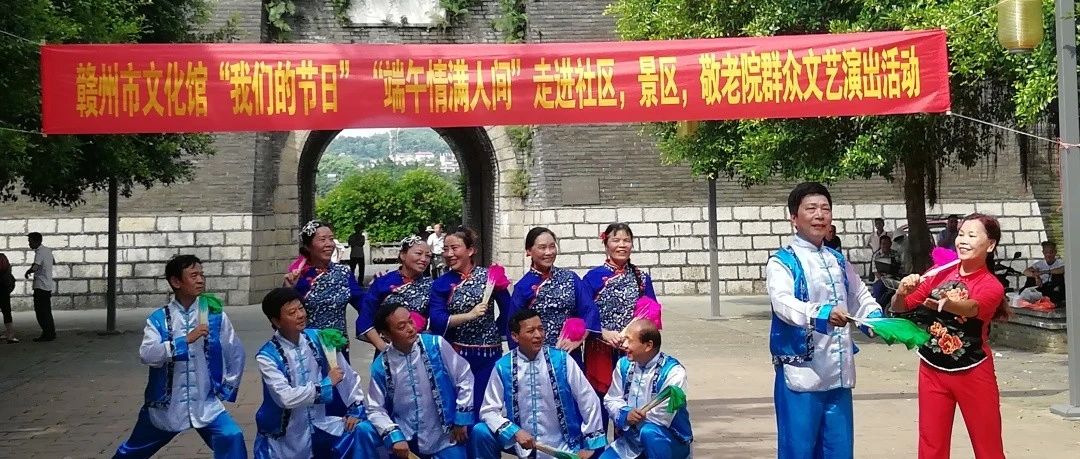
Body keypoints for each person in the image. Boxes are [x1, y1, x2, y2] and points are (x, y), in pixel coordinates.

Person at [766, 182, 883, 459]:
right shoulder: (782, 261)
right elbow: (783, 304)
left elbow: (860, 295)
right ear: (794, 218)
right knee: (799, 451)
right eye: (811, 209)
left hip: (838, 375)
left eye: (825, 209)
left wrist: (873, 317)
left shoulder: (837, 260)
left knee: (839, 450)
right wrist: (822, 313)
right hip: (801, 376)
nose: (819, 215)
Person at [891, 213, 1009, 459]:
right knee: (931, 444)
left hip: (973, 372)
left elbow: (973, 308)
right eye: (961, 234)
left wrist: (946, 304)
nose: (963, 240)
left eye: (972, 235)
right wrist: (901, 292)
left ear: (990, 245)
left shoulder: (992, 285)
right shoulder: (939, 272)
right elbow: (903, 307)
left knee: (988, 446)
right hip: (931, 369)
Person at [113, 255, 246, 459]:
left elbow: (235, 351)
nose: (200, 280)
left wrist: (226, 386)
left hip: (205, 403)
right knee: (132, 452)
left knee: (232, 437)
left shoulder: (214, 314)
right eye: (194, 275)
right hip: (166, 406)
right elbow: (147, 354)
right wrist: (185, 340)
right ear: (176, 281)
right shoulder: (159, 319)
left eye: (202, 275)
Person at [253, 288, 377, 459]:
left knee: (363, 430)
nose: (300, 315)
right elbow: (285, 397)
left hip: (321, 422)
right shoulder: (267, 356)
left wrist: (355, 407)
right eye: (292, 312)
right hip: (286, 433)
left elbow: (347, 376)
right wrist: (326, 384)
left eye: (301, 308)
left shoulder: (320, 338)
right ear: (276, 321)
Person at [472, 309, 606, 459]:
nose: (538, 335)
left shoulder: (561, 360)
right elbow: (488, 410)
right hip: (520, 444)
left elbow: (588, 398)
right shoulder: (503, 366)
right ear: (515, 336)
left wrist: (591, 444)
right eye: (531, 331)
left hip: (563, 446)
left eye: (541, 329)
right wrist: (514, 431)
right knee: (480, 431)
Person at [366, 303, 474, 459]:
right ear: (386, 335)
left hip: (445, 437)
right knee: (364, 429)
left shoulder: (436, 345)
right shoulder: (382, 365)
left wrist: (461, 418)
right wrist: (394, 435)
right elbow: (375, 408)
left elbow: (464, 376)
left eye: (410, 321)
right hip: (406, 439)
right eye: (401, 327)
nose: (410, 328)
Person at [429, 226, 513, 413]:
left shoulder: (490, 278)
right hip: (455, 355)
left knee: (486, 406)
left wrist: (495, 331)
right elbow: (437, 320)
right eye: (445, 249)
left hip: (488, 355)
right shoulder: (441, 284)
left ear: (470, 250)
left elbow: (508, 310)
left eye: (455, 248)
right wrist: (470, 315)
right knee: (459, 407)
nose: (449, 254)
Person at [582, 223, 657, 427]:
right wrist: (603, 332)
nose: (621, 245)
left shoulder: (642, 279)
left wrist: (635, 336)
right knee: (599, 403)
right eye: (616, 240)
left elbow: (651, 315)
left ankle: (627, 444)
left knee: (629, 401)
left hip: (631, 351)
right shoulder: (592, 278)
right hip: (600, 350)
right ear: (606, 244)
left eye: (626, 240)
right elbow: (583, 314)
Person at [601, 320, 692, 459]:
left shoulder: (673, 372)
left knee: (649, 432)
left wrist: (637, 417)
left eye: (629, 340)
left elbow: (664, 415)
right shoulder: (623, 365)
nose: (624, 345)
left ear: (648, 345)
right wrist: (625, 414)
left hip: (668, 440)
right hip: (631, 442)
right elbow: (611, 399)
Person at [509, 227, 601, 362]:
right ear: (529, 251)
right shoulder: (523, 287)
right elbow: (514, 325)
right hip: (537, 357)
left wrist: (580, 337)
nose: (549, 252)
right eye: (542, 247)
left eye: (552, 246)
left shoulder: (570, 278)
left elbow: (589, 310)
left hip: (569, 354)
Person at [284, 220, 363, 362]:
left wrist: (380, 292)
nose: (329, 244)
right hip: (307, 347)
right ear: (308, 246)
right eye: (322, 239)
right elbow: (284, 313)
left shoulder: (343, 273)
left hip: (337, 345)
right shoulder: (299, 276)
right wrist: (289, 289)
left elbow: (364, 304)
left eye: (331, 239)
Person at [356, 235, 434, 353]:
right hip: (389, 349)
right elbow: (365, 319)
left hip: (422, 349)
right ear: (403, 255)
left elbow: (437, 320)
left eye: (428, 256)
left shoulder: (433, 285)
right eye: (419, 253)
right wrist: (385, 349)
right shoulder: (383, 282)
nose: (424, 259)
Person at [24, 232, 55, 342]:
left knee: (40, 312)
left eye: (30, 241)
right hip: (48, 284)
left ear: (36, 241)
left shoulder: (39, 252)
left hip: (40, 285)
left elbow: (36, 267)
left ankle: (47, 334)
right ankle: (51, 333)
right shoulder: (47, 250)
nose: (29, 244)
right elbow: (53, 262)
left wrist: (28, 271)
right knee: (47, 311)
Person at [1022, 240, 1066, 305]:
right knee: (1030, 277)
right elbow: (1025, 272)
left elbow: (1063, 269)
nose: (1048, 255)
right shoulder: (1039, 264)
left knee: (1057, 275)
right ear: (1043, 252)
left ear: (1055, 252)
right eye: (1046, 252)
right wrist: (1036, 277)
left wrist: (1044, 272)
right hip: (1042, 287)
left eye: (1051, 252)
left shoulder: (1060, 262)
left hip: (1055, 288)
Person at [870, 234, 903, 306]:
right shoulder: (876, 255)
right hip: (881, 280)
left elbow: (900, 268)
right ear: (880, 245)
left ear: (891, 244)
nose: (885, 246)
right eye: (883, 244)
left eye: (887, 243)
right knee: (879, 291)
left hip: (894, 279)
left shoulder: (895, 254)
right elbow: (875, 271)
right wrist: (885, 281)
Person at [0, 253, 17, 343]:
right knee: (6, 312)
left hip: (3, 288)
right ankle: (10, 335)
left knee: (6, 312)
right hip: (4, 289)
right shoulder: (3, 257)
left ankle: (9, 334)